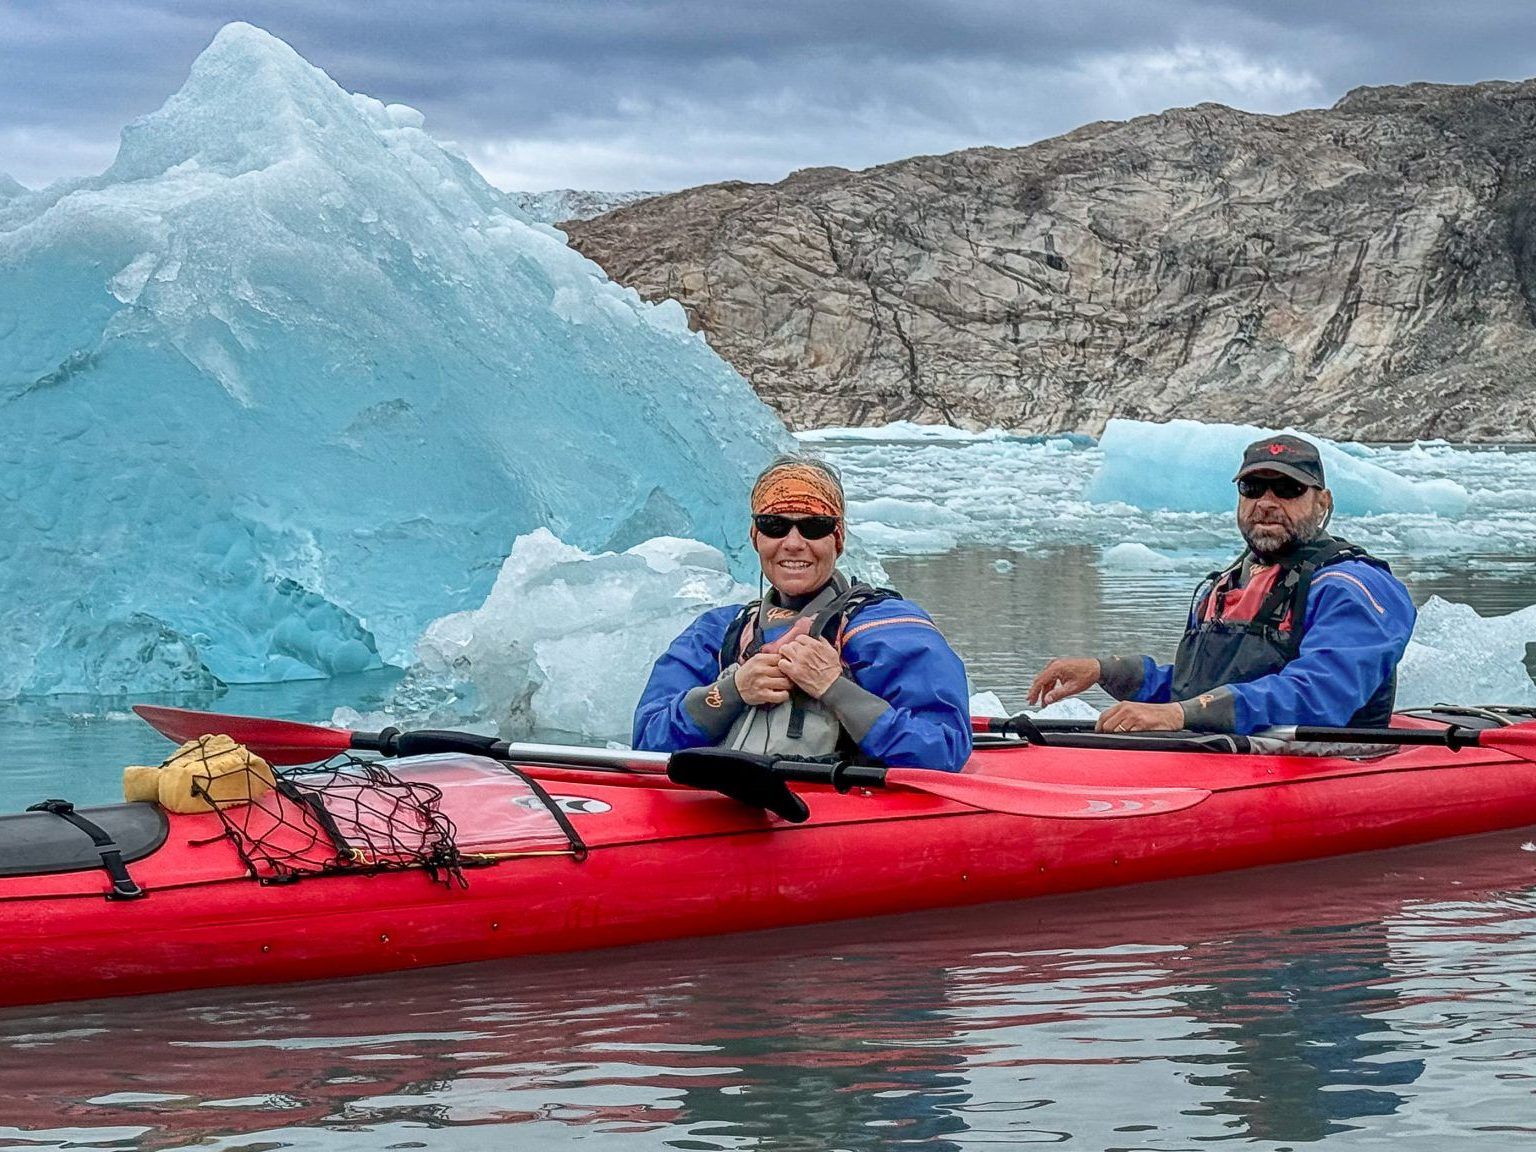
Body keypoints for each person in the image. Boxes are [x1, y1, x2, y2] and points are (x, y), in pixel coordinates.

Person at [1028, 435, 1415, 735]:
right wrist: (1107, 671)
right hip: (1228, 756)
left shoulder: (1355, 586)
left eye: (1288, 489)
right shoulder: (1229, 584)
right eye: (1252, 488)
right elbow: (1197, 689)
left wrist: (1180, 715)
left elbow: (1320, 695)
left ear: (1322, 501)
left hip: (1324, 766)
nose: (1266, 502)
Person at [633, 456, 972, 771]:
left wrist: (835, 688)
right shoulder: (718, 631)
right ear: (755, 537)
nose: (793, 543)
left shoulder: (889, 629)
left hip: (841, 808)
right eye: (774, 525)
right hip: (730, 805)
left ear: (837, 539)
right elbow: (648, 739)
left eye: (814, 526)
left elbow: (944, 749)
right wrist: (733, 692)